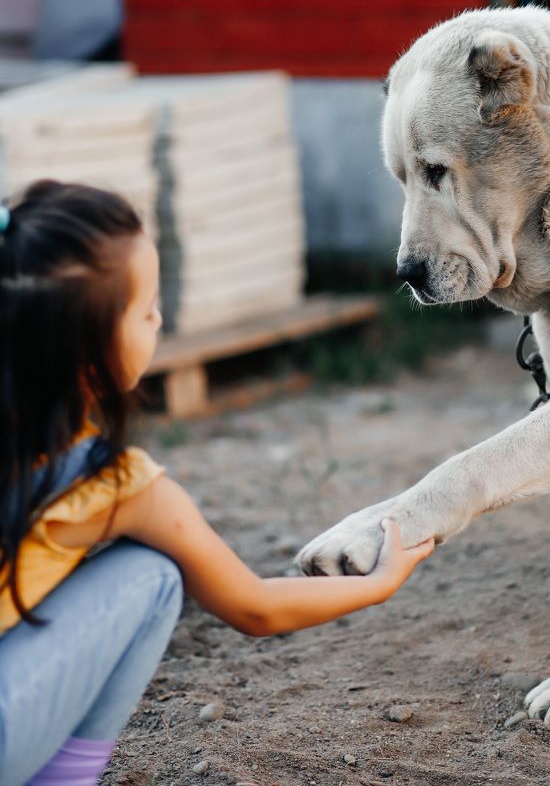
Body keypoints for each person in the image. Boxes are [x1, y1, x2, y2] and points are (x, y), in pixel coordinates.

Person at [0, 180, 434, 786]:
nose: (159, 322)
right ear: (90, 346)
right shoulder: (117, 486)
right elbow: (254, 607)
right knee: (150, 578)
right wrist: (382, 582)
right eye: (149, 309)